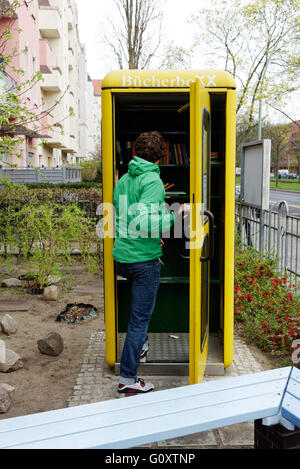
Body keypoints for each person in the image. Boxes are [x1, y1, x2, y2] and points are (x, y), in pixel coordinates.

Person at [113, 131, 179, 397]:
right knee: (139, 319)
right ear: (161, 155)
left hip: (123, 258)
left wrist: (153, 239)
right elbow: (144, 222)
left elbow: (126, 218)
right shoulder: (152, 179)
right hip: (142, 262)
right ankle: (128, 379)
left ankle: (140, 345)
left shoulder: (124, 179)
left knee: (139, 315)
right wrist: (176, 215)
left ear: (134, 151)